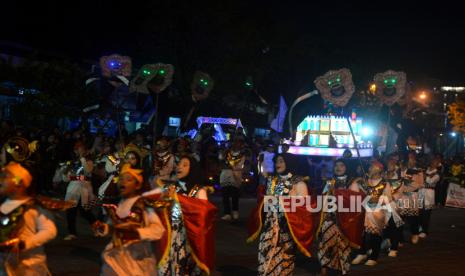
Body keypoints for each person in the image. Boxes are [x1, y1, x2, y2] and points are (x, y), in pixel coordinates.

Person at [247, 154, 317, 275]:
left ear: (290, 163)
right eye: (276, 161)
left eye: (281, 161)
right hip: (269, 228)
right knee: (265, 259)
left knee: (284, 262)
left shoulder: (299, 183)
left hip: (286, 230)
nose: (277, 164)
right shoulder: (272, 180)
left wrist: (284, 202)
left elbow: (305, 209)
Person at [93, 164, 165, 275]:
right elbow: (114, 228)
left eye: (128, 180)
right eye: (121, 179)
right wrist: (104, 228)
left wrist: (136, 233)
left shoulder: (143, 204)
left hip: (137, 259)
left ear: (137, 185)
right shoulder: (119, 204)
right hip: (116, 257)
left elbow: (158, 230)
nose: (123, 182)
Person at [155, 156, 217, 276]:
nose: (179, 167)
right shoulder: (171, 188)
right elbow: (160, 209)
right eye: (178, 164)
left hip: (190, 238)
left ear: (192, 168)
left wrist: (185, 203)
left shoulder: (199, 191)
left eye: (184, 165)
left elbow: (204, 215)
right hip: (172, 236)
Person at [0, 162, 57, 275]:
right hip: (5, 265)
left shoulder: (33, 206)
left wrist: (23, 244)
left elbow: (50, 231)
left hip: (29, 266)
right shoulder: (3, 204)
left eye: (5, 176)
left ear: (19, 181)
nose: (1, 180)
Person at [317, 159, 365, 275]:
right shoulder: (329, 182)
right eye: (336, 165)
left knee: (343, 246)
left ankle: (342, 269)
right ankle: (324, 267)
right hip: (329, 217)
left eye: (342, 165)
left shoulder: (352, 183)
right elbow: (323, 199)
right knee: (325, 243)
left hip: (346, 220)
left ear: (347, 167)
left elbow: (356, 202)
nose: (338, 168)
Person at [352, 160, 392, 266]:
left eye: (372, 167)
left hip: (377, 212)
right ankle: (362, 253)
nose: (369, 169)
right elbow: (353, 192)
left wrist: (378, 200)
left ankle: (374, 256)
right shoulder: (364, 181)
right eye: (369, 167)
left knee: (375, 235)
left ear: (378, 169)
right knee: (362, 234)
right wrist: (357, 181)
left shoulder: (384, 184)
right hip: (364, 211)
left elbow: (389, 198)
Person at [63, 141, 97, 240]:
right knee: (70, 210)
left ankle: (97, 228)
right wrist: (64, 173)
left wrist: (82, 159)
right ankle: (72, 233)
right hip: (73, 188)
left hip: (84, 187)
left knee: (85, 211)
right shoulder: (73, 162)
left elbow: (87, 171)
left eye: (80, 148)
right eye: (77, 149)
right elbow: (66, 178)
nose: (78, 150)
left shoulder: (89, 160)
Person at [219, 138, 246, 221]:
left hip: (235, 176)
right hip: (225, 175)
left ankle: (235, 212)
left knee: (235, 195)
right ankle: (227, 213)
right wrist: (223, 151)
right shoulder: (227, 153)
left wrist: (233, 167)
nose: (236, 145)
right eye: (234, 143)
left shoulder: (242, 155)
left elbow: (240, 165)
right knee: (225, 195)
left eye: (238, 143)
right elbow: (220, 158)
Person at [418, 158, 440, 238]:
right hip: (420, 193)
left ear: (437, 164)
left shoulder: (437, 174)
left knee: (426, 214)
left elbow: (430, 181)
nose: (433, 162)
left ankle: (424, 231)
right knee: (419, 212)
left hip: (428, 195)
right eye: (433, 161)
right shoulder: (425, 170)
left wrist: (423, 175)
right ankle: (419, 227)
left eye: (435, 162)